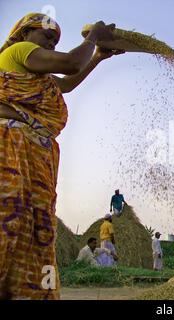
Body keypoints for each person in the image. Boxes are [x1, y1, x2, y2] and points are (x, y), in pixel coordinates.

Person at [0, 13, 127, 300]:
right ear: (23, 34)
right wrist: (94, 36)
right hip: (12, 148)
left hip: (33, 152)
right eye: (47, 36)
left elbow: (66, 84)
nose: (52, 44)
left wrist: (96, 57)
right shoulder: (18, 51)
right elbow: (70, 63)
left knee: (28, 229)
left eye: (56, 41)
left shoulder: (35, 71)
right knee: (10, 221)